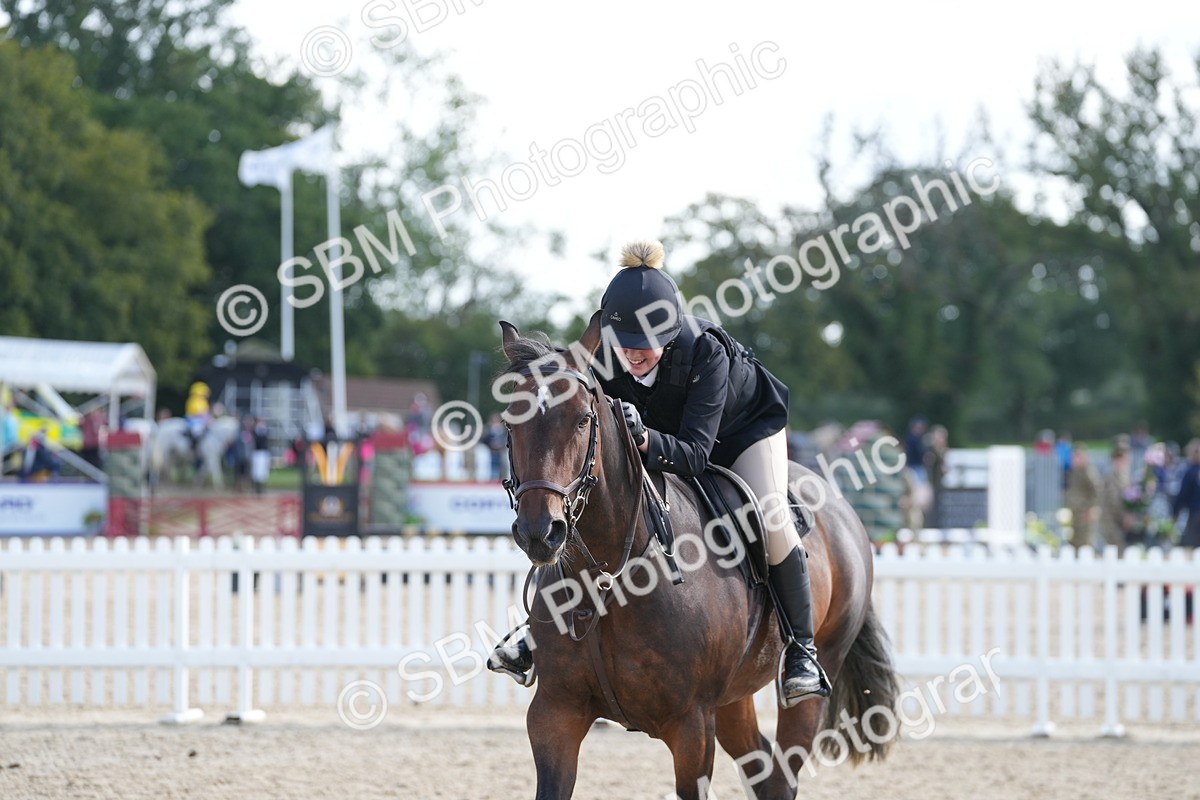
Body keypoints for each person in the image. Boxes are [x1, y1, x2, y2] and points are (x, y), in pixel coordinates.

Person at [489, 240, 829, 706]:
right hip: (667, 432)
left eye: (645, 345)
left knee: (769, 516)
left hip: (739, 432)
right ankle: (537, 630)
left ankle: (802, 652)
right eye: (624, 344)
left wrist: (644, 438)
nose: (633, 354)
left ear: (669, 333)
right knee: (590, 512)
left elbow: (694, 454)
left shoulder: (706, 353)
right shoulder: (606, 357)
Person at [1064, 443, 1101, 549]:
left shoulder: (1088, 472)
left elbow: (1097, 491)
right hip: (1076, 512)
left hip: (1085, 513)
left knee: (1085, 542)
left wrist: (1092, 508)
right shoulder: (1075, 472)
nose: (1074, 460)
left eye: (1077, 457)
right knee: (1075, 541)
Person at [1099, 439, 1133, 553]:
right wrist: (1125, 516)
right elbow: (1114, 501)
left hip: (1119, 521)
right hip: (1111, 521)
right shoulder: (1111, 477)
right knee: (1117, 549)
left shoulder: (1125, 476)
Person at [1172, 439, 1200, 548]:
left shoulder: (1190, 472)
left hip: (1195, 513)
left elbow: (1183, 495)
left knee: (1191, 545)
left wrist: (1175, 512)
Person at [923, 424, 949, 528]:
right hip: (929, 484)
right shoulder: (930, 451)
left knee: (937, 508)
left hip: (937, 483)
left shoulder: (941, 451)